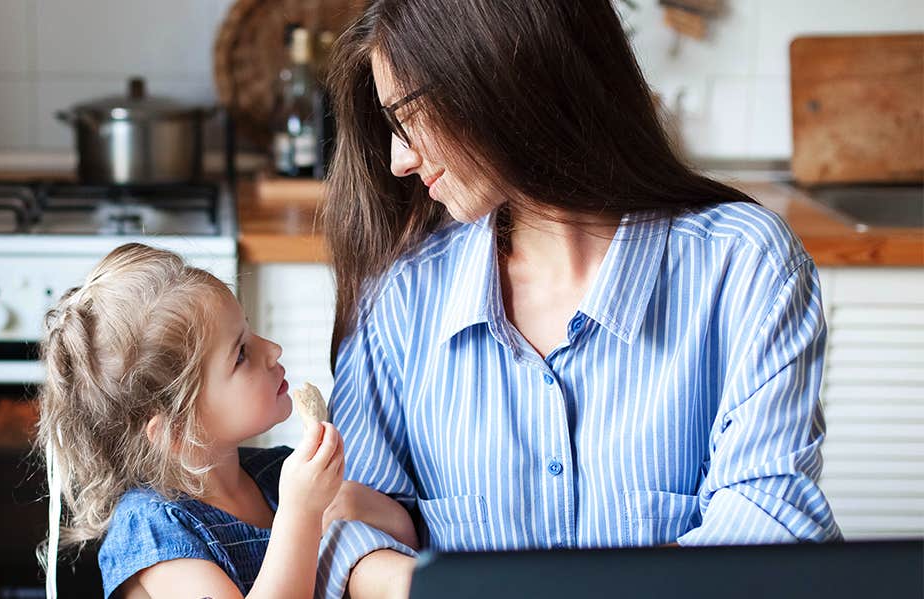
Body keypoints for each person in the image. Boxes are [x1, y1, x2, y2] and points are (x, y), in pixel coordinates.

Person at [314, 1, 843, 597]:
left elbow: (770, 534)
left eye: (410, 118)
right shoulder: (401, 294)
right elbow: (343, 529)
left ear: (503, 79)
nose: (399, 160)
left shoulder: (744, 265)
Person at [33, 243, 415, 599]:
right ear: (175, 429)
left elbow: (406, 536)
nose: (273, 349)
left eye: (249, 329)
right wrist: (302, 513)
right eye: (241, 354)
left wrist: (350, 500)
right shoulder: (154, 531)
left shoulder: (275, 474)